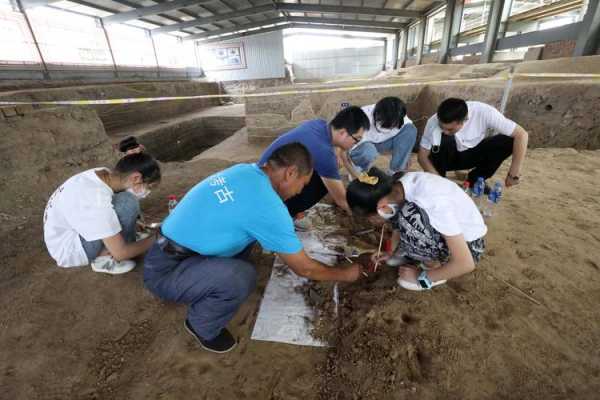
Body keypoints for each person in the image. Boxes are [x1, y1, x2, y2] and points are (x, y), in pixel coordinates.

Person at [144, 143, 362, 354]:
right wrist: (346, 274)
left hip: (168, 249)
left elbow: (247, 210)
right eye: (302, 185)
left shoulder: (245, 170)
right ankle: (201, 325)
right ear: (291, 173)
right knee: (241, 277)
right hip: (166, 272)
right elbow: (305, 269)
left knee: (246, 241)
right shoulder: (268, 207)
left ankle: (211, 278)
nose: (298, 192)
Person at [346, 167, 487, 291]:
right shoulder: (396, 187)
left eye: (371, 218)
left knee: (410, 215)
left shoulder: (429, 200)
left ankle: (434, 266)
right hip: (443, 233)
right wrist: (391, 252)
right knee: (404, 214)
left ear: (381, 206)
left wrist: (421, 277)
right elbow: (397, 225)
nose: (373, 222)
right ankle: (414, 253)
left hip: (468, 248)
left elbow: (465, 263)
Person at [43, 138, 160, 274]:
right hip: (71, 249)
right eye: (149, 186)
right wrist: (159, 237)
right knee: (127, 202)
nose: (147, 191)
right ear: (135, 178)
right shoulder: (96, 199)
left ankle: (114, 243)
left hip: (65, 232)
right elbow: (121, 253)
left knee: (125, 200)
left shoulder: (103, 174)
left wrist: (135, 221)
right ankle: (103, 259)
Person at [258, 106, 370, 217]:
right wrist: (368, 216)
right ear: (343, 133)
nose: (354, 144)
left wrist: (356, 174)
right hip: (268, 197)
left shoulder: (319, 124)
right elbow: (342, 201)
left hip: (262, 178)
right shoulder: (324, 153)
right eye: (356, 140)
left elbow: (340, 153)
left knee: (330, 171)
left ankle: (291, 209)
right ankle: (288, 213)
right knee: (326, 183)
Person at [418, 98, 529, 189]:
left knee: (507, 140)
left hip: (472, 154)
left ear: (464, 120)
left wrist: (513, 173)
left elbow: (522, 135)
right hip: (447, 158)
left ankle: (475, 181)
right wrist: (439, 182)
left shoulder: (484, 112)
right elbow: (422, 157)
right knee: (443, 139)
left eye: (450, 129)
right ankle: (440, 183)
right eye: (442, 127)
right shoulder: (433, 122)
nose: (445, 131)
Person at [340, 97, 417, 179]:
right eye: (388, 125)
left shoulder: (399, 115)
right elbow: (343, 150)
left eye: (393, 125)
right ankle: (359, 167)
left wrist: (405, 155)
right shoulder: (360, 118)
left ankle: (394, 172)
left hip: (383, 143)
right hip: (362, 146)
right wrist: (353, 172)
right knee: (368, 152)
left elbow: (408, 135)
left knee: (410, 130)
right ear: (377, 116)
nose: (391, 127)